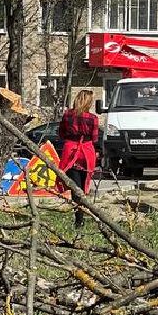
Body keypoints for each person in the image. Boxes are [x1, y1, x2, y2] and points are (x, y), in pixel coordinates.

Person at [58, 89, 100, 228]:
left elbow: (61, 134)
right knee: (83, 186)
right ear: (89, 102)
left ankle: (79, 219)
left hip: (71, 150)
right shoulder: (93, 118)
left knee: (74, 187)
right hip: (87, 151)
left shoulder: (67, 115)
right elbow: (94, 138)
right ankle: (81, 217)